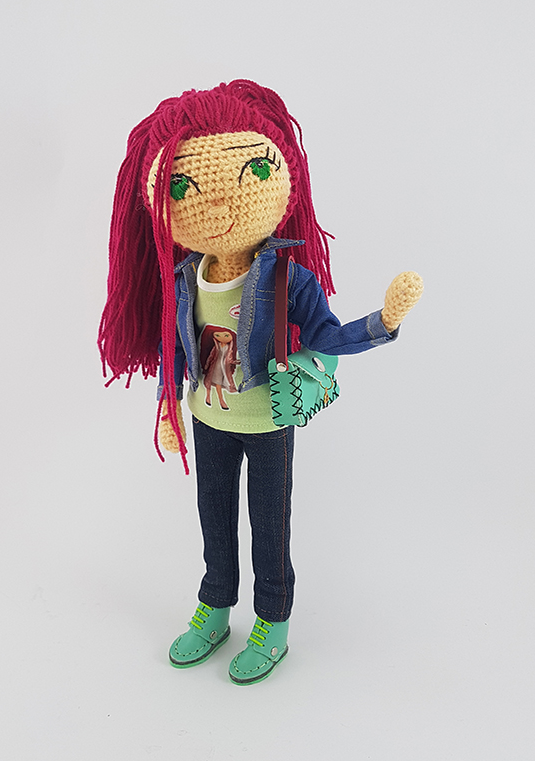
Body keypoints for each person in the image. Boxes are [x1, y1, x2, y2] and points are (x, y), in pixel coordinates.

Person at [98, 80, 423, 685]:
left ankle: (272, 621)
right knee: (213, 516)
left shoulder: (285, 278)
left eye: (253, 171)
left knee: (270, 524)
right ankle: (215, 606)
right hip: (208, 417)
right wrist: (168, 405)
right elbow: (175, 347)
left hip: (267, 420)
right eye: (182, 188)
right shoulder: (184, 277)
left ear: (282, 182)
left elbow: (326, 336)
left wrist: (382, 323)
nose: (218, 205)